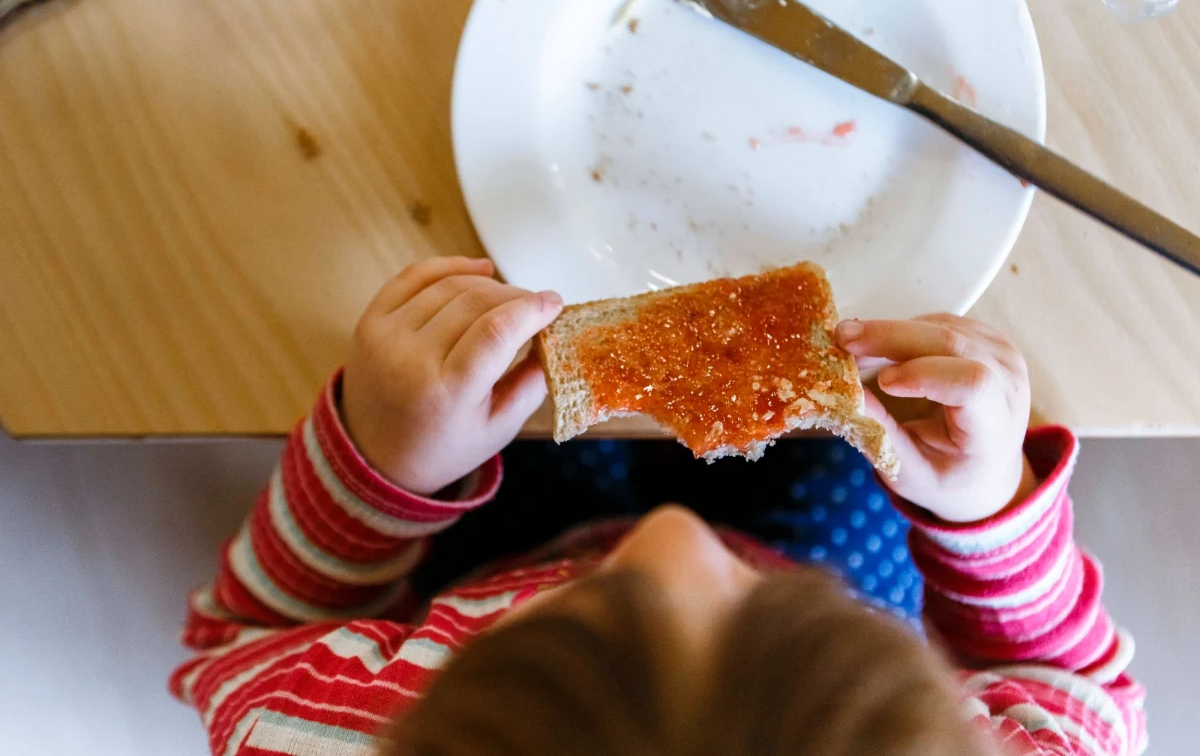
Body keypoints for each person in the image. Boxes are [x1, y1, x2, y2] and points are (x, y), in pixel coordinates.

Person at [170, 256, 1145, 756]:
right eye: (748, 604)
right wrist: (985, 511)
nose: (671, 534)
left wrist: (379, 467)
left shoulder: (306, 736)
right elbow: (1064, 678)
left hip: (501, 544)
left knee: (496, 413)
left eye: (598, 606)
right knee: (872, 459)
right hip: (832, 567)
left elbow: (249, 633)